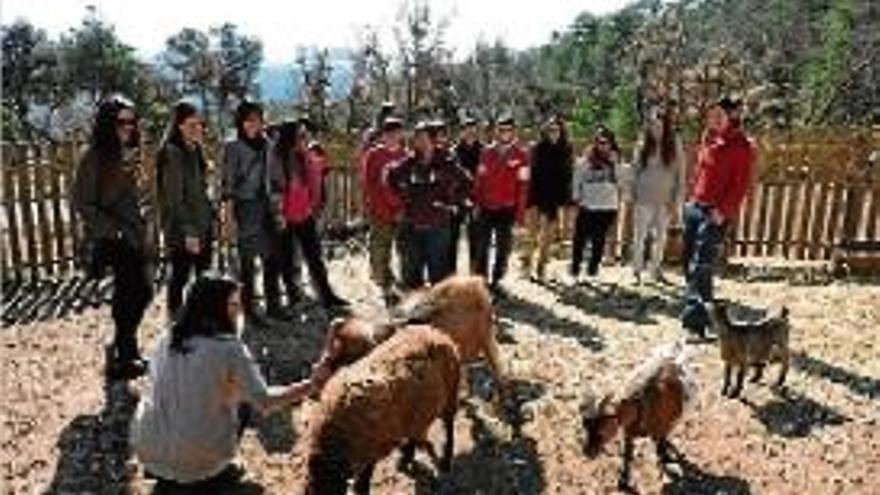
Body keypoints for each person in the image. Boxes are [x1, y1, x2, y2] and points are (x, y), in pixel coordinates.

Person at [131, 274, 331, 490]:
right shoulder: (228, 348)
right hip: (197, 460)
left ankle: (172, 466)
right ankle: (213, 469)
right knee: (244, 402)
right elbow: (264, 402)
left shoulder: (168, 337)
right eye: (234, 304)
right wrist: (312, 384)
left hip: (148, 446)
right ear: (215, 308)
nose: (240, 310)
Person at [72, 96, 154, 380]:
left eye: (132, 122)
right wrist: (114, 230)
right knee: (136, 292)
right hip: (113, 237)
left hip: (133, 233)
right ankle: (124, 354)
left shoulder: (129, 151)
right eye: (122, 122)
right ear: (108, 123)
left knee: (138, 293)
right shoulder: (94, 156)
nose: (128, 127)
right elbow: (83, 203)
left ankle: (123, 346)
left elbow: (130, 193)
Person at [681, 97, 755, 341]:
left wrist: (723, 211)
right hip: (696, 208)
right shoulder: (709, 138)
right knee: (690, 266)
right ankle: (711, 319)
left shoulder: (741, 146)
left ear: (731, 116)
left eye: (719, 115)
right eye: (711, 114)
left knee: (700, 265)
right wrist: (691, 199)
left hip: (715, 213)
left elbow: (740, 185)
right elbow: (700, 172)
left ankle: (696, 325)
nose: (714, 119)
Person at [269, 121, 349, 310]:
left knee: (315, 258)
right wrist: (279, 215)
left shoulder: (304, 157)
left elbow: (316, 179)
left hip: (305, 215)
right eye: (302, 136)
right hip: (285, 217)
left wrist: (314, 205)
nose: (306, 139)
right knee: (287, 262)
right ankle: (294, 298)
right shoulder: (277, 159)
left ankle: (327, 296)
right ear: (291, 138)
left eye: (306, 135)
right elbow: (275, 189)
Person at [388, 121, 470, 289]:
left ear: (433, 139)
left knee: (438, 273)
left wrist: (452, 202)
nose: (418, 141)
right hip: (413, 224)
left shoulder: (447, 161)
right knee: (412, 273)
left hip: (438, 226)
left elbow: (467, 182)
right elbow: (391, 178)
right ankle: (415, 310)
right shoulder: (409, 162)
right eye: (416, 137)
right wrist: (404, 199)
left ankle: (436, 310)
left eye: (422, 137)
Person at [157, 102, 215, 317]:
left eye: (199, 124)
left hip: (204, 223)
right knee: (180, 277)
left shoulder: (196, 149)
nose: (198, 129)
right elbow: (174, 199)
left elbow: (200, 189)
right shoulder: (172, 153)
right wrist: (188, 231)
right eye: (192, 125)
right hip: (183, 228)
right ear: (178, 126)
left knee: (204, 277)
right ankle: (175, 320)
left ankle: (201, 318)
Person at [471, 115, 530, 295]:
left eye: (508, 129)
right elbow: (479, 180)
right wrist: (476, 204)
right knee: (482, 246)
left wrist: (520, 214)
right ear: (496, 131)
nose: (504, 133)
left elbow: (523, 185)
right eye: (501, 129)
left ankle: (497, 280)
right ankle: (481, 282)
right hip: (486, 208)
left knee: (504, 248)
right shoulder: (486, 153)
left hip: (508, 209)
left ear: (514, 132)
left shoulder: (522, 155)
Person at [630, 106, 686, 283]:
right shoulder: (643, 143)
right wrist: (633, 194)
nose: (656, 129)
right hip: (644, 197)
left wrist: (676, 201)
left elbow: (680, 174)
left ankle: (655, 269)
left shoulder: (674, 143)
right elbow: (635, 171)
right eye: (653, 125)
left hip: (665, 199)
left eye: (660, 125)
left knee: (660, 237)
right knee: (640, 236)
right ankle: (636, 270)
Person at [521, 116, 573, 282]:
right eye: (550, 129)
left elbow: (568, 175)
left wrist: (566, 200)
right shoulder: (537, 148)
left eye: (556, 129)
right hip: (536, 194)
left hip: (554, 196)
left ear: (561, 131)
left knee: (548, 235)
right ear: (545, 131)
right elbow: (531, 173)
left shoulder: (566, 149)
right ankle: (526, 264)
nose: (553, 133)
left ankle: (541, 267)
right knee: (531, 233)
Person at [360, 117, 407, 298]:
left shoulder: (406, 155)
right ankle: (385, 282)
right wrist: (375, 207)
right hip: (380, 211)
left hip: (402, 212)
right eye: (389, 134)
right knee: (380, 250)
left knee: (403, 250)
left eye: (397, 133)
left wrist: (401, 209)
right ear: (383, 135)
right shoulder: (373, 155)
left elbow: (408, 186)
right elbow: (368, 184)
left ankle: (403, 282)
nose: (393, 137)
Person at [570, 127, 621, 280]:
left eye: (605, 142)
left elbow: (622, 181)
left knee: (599, 239)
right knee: (580, 238)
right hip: (588, 204)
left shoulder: (616, 160)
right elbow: (577, 178)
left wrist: (616, 163)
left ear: (611, 144)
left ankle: (592, 269)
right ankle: (575, 267)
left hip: (607, 206)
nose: (602, 145)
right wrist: (576, 197)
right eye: (598, 142)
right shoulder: (586, 159)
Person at [453, 116, 483, 272]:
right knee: (453, 239)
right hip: (457, 200)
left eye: (473, 130)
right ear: (462, 132)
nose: (470, 133)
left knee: (476, 239)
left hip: (476, 200)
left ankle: (474, 273)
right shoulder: (454, 151)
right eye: (467, 130)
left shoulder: (484, 151)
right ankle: (450, 274)